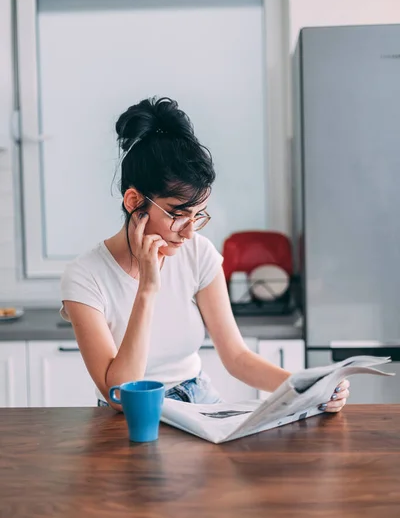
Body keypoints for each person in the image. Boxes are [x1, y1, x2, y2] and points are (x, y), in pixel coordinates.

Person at [60, 97, 350, 412]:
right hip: (129, 418)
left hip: (198, 399)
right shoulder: (85, 276)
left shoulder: (197, 253)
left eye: (198, 216)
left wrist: (306, 388)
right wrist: (147, 288)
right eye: (177, 214)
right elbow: (119, 394)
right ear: (133, 201)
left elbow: (237, 357)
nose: (189, 231)